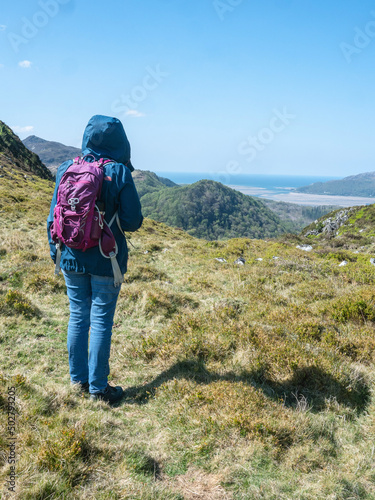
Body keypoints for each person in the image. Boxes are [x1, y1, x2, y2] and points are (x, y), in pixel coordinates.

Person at [47, 115, 143, 404]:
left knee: (78, 316)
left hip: (71, 256)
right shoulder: (119, 172)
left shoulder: (67, 168)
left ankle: (78, 380)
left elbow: (54, 215)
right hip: (106, 257)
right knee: (100, 321)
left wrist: (57, 253)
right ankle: (98, 389)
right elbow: (132, 221)